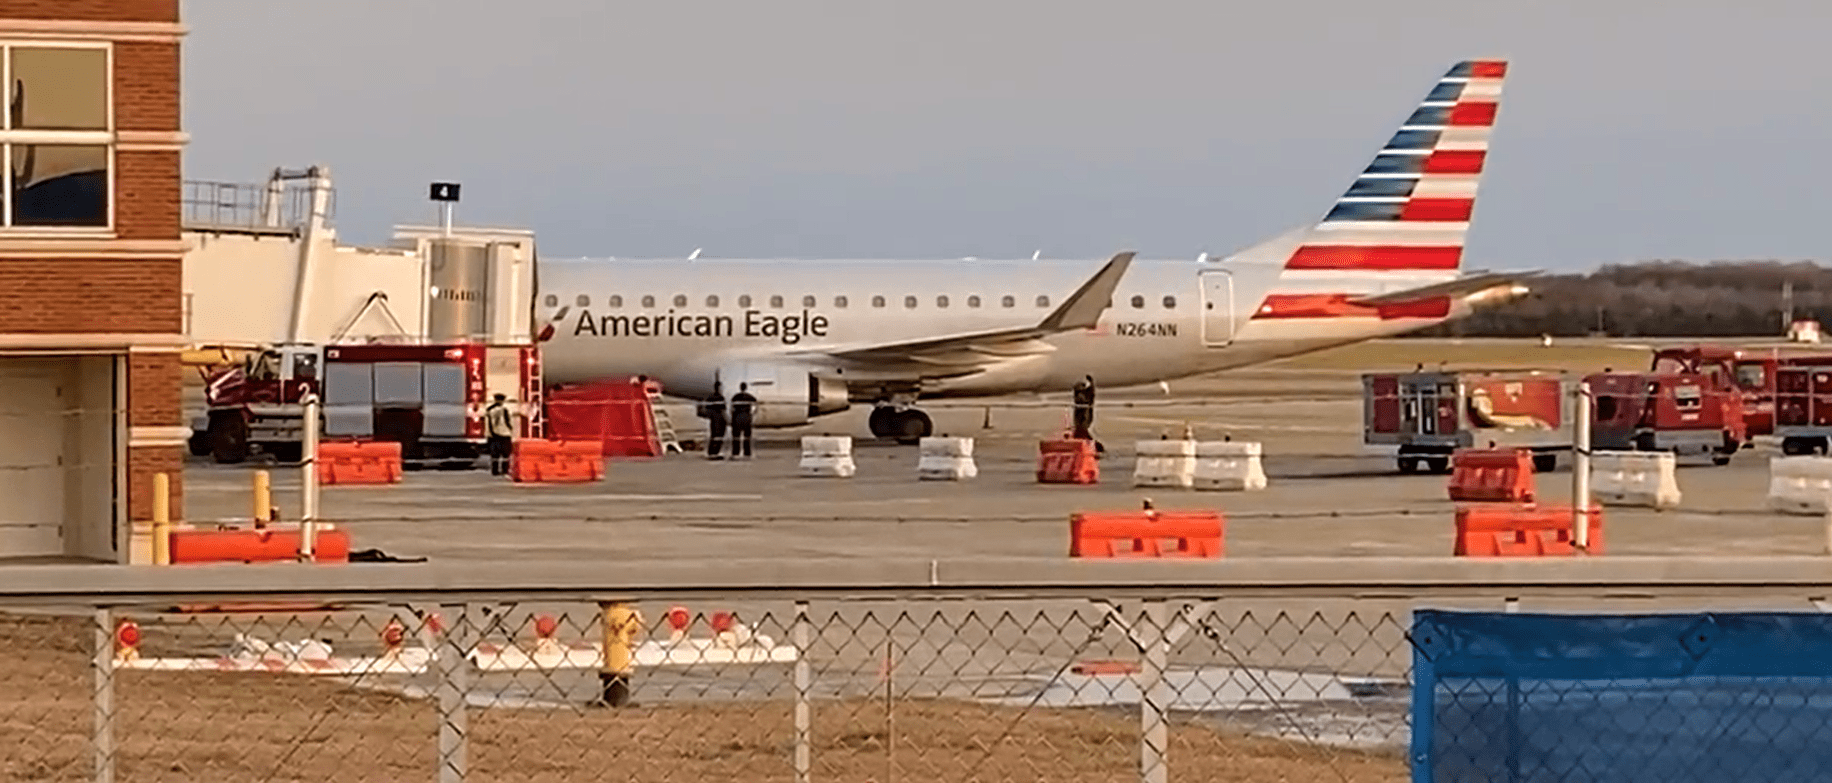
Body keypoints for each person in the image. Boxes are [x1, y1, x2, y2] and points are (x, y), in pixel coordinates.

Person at [484, 393, 516, 476]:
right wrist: (511, 430)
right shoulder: (506, 409)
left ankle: (495, 471)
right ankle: (504, 470)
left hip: (494, 434)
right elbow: (510, 421)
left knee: (495, 454)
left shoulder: (490, 409)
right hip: (504, 433)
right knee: (505, 454)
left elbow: (488, 422)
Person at [698, 383, 728, 460]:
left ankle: (711, 452)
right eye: (721, 388)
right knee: (719, 436)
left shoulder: (710, 397)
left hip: (713, 419)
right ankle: (715, 453)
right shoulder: (721, 397)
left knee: (714, 435)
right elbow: (723, 410)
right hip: (719, 419)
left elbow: (706, 408)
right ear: (718, 388)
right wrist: (727, 420)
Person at [729, 382, 758, 459]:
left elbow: (731, 408)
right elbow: (756, 404)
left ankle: (735, 452)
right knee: (747, 436)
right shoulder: (750, 396)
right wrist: (753, 413)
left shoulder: (735, 397)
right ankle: (747, 453)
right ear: (746, 388)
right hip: (747, 417)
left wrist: (733, 416)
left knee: (736, 436)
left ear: (740, 387)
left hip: (737, 417)